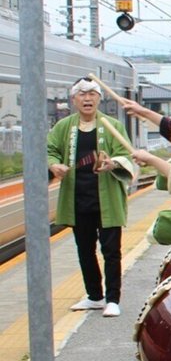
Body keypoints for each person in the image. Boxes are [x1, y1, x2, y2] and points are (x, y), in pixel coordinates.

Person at [46, 78, 138, 317]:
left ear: (99, 98)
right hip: (77, 199)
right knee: (84, 250)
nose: (87, 98)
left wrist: (112, 163)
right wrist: (54, 164)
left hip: (107, 199)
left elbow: (126, 153)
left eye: (92, 93)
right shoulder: (63, 127)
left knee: (111, 251)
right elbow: (50, 150)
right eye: (82, 93)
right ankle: (95, 296)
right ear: (73, 99)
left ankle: (113, 299)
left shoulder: (112, 125)